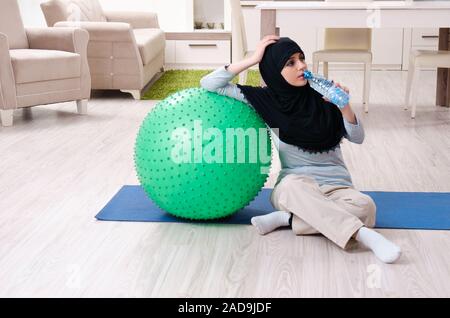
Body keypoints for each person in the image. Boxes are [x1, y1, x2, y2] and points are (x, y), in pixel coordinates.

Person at [200, 35, 401, 264]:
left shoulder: (323, 93)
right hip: (296, 185)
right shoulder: (265, 100)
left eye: (301, 58)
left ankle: (287, 219)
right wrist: (253, 59)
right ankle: (366, 236)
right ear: (275, 71)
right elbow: (210, 83)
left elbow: (357, 137)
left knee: (366, 207)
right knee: (290, 189)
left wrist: (344, 106)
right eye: (291, 62)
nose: (302, 65)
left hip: (337, 186)